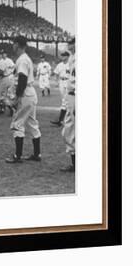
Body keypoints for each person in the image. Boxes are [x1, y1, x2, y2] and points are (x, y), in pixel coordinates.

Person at [6, 36, 42, 164]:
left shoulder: (22, 59)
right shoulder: (26, 58)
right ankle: (37, 154)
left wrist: (17, 97)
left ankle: (17, 156)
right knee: (32, 123)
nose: (12, 46)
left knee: (17, 123)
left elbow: (22, 79)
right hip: (30, 93)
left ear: (17, 45)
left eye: (13, 44)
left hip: (25, 93)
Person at [60, 38, 76, 172]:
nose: (70, 45)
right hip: (70, 95)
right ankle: (74, 163)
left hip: (76, 95)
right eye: (69, 43)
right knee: (68, 130)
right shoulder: (71, 58)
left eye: (72, 43)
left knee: (72, 130)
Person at [50, 51, 71, 126]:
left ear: (68, 56)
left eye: (64, 56)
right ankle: (62, 120)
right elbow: (56, 73)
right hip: (62, 82)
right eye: (62, 56)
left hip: (69, 82)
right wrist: (56, 81)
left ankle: (60, 120)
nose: (62, 57)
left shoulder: (71, 64)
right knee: (64, 100)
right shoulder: (60, 65)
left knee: (65, 101)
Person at [0, 50, 15, 116]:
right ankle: (3, 109)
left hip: (4, 79)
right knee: (2, 95)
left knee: (1, 96)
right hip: (5, 79)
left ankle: (11, 108)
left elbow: (1, 72)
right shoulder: (1, 61)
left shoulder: (1, 62)